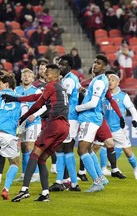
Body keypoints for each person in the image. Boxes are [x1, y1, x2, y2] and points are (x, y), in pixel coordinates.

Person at [10, 64, 70, 202]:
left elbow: (38, 103)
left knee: (34, 154)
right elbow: (36, 98)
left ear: (55, 75)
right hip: (64, 127)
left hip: (54, 124)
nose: (45, 75)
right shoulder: (60, 88)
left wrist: (24, 117)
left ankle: (24, 190)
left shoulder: (51, 86)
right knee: (42, 159)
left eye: (47, 73)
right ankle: (45, 193)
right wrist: (17, 99)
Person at [75, 54, 110, 192]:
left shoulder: (100, 81)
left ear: (104, 67)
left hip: (90, 118)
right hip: (91, 118)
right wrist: (85, 91)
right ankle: (101, 177)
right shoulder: (97, 80)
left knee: (82, 150)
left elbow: (94, 103)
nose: (95, 65)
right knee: (88, 149)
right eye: (95, 62)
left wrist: (77, 108)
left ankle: (97, 181)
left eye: (99, 63)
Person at [48, 54, 81, 192]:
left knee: (64, 148)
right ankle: (67, 182)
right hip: (70, 117)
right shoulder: (71, 79)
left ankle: (68, 182)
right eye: (59, 64)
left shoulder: (68, 81)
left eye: (63, 65)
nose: (60, 66)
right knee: (63, 148)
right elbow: (81, 91)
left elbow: (63, 99)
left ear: (69, 67)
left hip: (69, 117)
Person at [103, 73, 137, 180]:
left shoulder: (123, 96)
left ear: (118, 82)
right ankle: (101, 170)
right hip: (104, 128)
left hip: (118, 129)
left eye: (113, 80)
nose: (110, 82)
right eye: (109, 80)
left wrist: (134, 120)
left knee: (128, 152)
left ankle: (135, 170)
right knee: (97, 147)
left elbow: (132, 109)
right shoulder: (103, 94)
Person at [14, 68, 46, 183]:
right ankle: (24, 174)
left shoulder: (36, 91)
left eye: (29, 76)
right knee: (23, 148)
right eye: (24, 75)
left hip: (33, 122)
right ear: (21, 77)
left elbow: (44, 106)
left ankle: (36, 174)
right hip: (21, 123)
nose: (26, 77)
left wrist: (35, 115)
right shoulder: (16, 90)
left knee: (31, 147)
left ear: (33, 79)